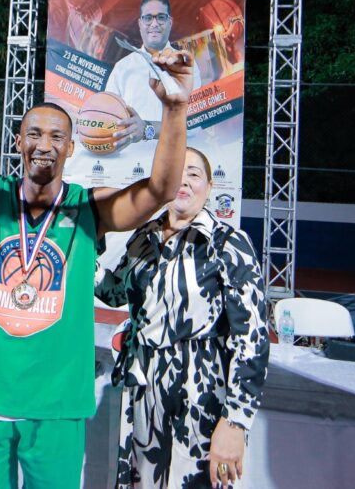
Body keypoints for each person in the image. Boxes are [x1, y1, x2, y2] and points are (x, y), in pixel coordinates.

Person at [0, 12, 193, 488]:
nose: (44, 144)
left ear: (72, 148)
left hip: (56, 401)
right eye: (34, 134)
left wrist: (176, 110)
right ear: (18, 142)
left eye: (57, 136)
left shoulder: (87, 209)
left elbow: (160, 189)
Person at [95, 147, 268, 489]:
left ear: (209, 187)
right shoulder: (143, 237)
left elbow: (252, 339)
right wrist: (88, 242)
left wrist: (235, 422)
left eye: (194, 174)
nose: (184, 182)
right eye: (177, 172)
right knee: (138, 482)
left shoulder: (229, 244)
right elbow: (116, 293)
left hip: (203, 389)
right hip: (144, 384)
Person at [105, 0, 202, 151]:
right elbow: (107, 119)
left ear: (170, 22)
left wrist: (147, 129)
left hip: (173, 163)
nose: (154, 24)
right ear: (140, 23)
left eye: (161, 17)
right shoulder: (122, 68)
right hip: (128, 165)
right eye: (148, 18)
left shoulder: (186, 67)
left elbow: (193, 124)